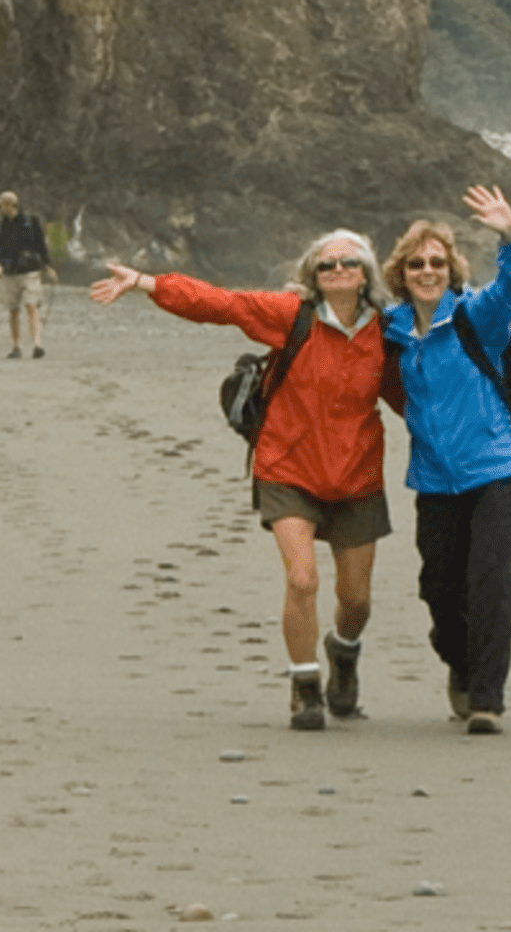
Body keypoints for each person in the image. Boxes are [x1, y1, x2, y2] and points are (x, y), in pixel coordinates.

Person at [91, 232, 391, 730]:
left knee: (355, 600)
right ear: (313, 275)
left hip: (356, 474)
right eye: (326, 265)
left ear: (366, 274)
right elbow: (219, 304)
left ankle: (343, 651)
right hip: (288, 467)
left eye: (349, 263)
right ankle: (305, 686)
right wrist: (147, 283)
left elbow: (420, 391)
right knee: (302, 578)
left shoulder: (388, 332)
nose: (337, 270)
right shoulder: (290, 316)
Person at [382, 185, 511, 735]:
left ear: (451, 269)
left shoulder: (476, 319)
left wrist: (509, 236)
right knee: (439, 590)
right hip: (434, 480)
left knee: (490, 582)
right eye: (417, 263)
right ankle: (461, 667)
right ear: (402, 272)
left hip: (494, 469)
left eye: (438, 262)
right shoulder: (393, 333)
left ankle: (487, 698)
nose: (428, 271)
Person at [0, 190, 54, 359]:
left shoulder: (31, 222)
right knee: (13, 310)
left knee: (31, 305)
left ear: (9, 205)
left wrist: (48, 266)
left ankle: (37, 344)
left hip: (30, 270)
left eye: (1, 206)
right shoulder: (0, 226)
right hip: (10, 272)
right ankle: (16, 345)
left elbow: (40, 244)